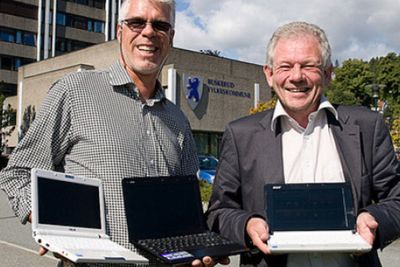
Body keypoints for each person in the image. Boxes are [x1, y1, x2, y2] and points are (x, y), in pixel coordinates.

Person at [0, 0, 225, 266]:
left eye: (160, 25)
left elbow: (186, 204)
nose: (149, 32)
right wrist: (46, 219)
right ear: (120, 32)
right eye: (137, 22)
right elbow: (18, 173)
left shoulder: (178, 119)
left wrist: (198, 245)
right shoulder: (74, 92)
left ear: (171, 37)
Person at [206, 21, 400, 267]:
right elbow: (218, 212)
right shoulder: (241, 134)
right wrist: (247, 225)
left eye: (308, 66)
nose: (296, 76)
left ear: (328, 73)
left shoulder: (368, 126)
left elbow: (396, 199)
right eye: (285, 66)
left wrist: (373, 218)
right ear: (269, 74)